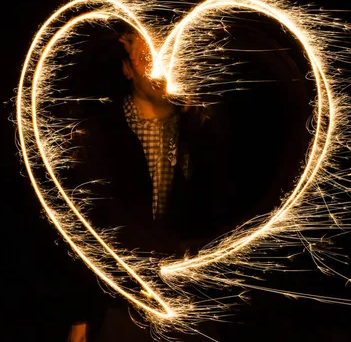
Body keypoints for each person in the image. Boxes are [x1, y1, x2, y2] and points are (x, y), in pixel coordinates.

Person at [65, 29, 230, 341]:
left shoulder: (198, 130)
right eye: (145, 58)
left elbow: (220, 212)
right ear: (127, 69)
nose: (158, 68)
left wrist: (200, 126)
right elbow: (83, 229)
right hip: (120, 308)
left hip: (188, 310)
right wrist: (81, 316)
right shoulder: (100, 136)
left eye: (165, 56)